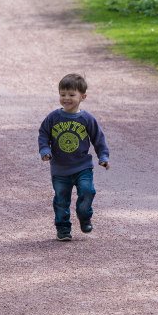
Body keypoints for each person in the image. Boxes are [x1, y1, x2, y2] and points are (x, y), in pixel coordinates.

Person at [38, 73, 110, 241]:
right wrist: (44, 150)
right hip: (60, 169)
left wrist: (103, 156)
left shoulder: (87, 119)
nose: (66, 98)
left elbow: (98, 138)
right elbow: (43, 134)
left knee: (88, 191)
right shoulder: (53, 117)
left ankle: (84, 216)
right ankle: (63, 228)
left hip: (82, 167)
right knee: (61, 199)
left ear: (83, 97)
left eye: (71, 95)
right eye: (62, 94)